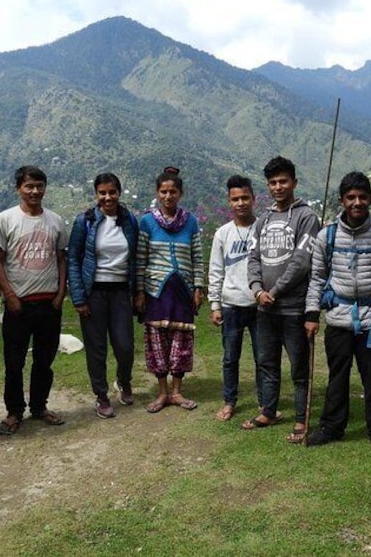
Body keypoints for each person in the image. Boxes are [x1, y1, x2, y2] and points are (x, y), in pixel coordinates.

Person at [303, 171, 371, 455]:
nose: (357, 202)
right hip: (338, 317)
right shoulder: (328, 236)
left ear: (370, 199)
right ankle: (331, 427)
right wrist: (311, 314)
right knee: (338, 375)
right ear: (342, 200)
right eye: (351, 197)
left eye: (362, 197)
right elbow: (316, 278)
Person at [243, 156, 319, 443]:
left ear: (294, 183)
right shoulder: (262, 219)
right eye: (273, 182)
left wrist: (274, 293)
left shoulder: (306, 217)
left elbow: (301, 262)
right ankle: (269, 410)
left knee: (299, 366)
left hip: (293, 308)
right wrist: (257, 289)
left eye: (283, 181)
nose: (278, 186)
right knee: (267, 362)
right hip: (264, 307)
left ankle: (301, 418)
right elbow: (253, 257)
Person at [0, 165, 69, 434]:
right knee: (14, 361)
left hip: (49, 303)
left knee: (44, 361)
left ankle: (39, 406)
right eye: (29, 186)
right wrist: (10, 295)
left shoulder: (56, 221)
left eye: (39, 186)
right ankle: (14, 411)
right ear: (18, 189)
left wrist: (60, 293)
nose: (35, 191)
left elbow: (61, 259)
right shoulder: (5, 219)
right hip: (18, 304)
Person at [68, 172, 138, 419]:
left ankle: (124, 380)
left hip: (120, 292)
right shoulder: (84, 221)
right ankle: (101, 395)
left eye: (112, 192)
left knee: (125, 346)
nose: (108, 197)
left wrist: (137, 292)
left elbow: (136, 258)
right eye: (102, 193)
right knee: (96, 348)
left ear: (119, 192)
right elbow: (74, 261)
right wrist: (78, 297)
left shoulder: (129, 220)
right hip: (94, 292)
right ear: (96, 194)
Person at [135, 166, 205, 413]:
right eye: (163, 191)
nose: (168, 196)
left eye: (172, 191)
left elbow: (197, 255)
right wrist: (140, 291)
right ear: (157, 193)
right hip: (156, 291)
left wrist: (199, 286)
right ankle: (162, 392)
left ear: (180, 193)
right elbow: (140, 258)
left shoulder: (191, 222)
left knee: (181, 341)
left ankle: (177, 392)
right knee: (157, 342)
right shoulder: (147, 222)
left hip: (183, 291)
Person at [208, 175, 262, 421]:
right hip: (231, 305)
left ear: (253, 198)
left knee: (263, 357)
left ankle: (266, 402)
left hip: (259, 305)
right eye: (235, 199)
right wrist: (215, 304)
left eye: (245, 198)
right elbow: (216, 270)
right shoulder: (222, 234)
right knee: (230, 358)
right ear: (229, 202)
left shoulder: (263, 228)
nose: (240, 203)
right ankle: (229, 402)